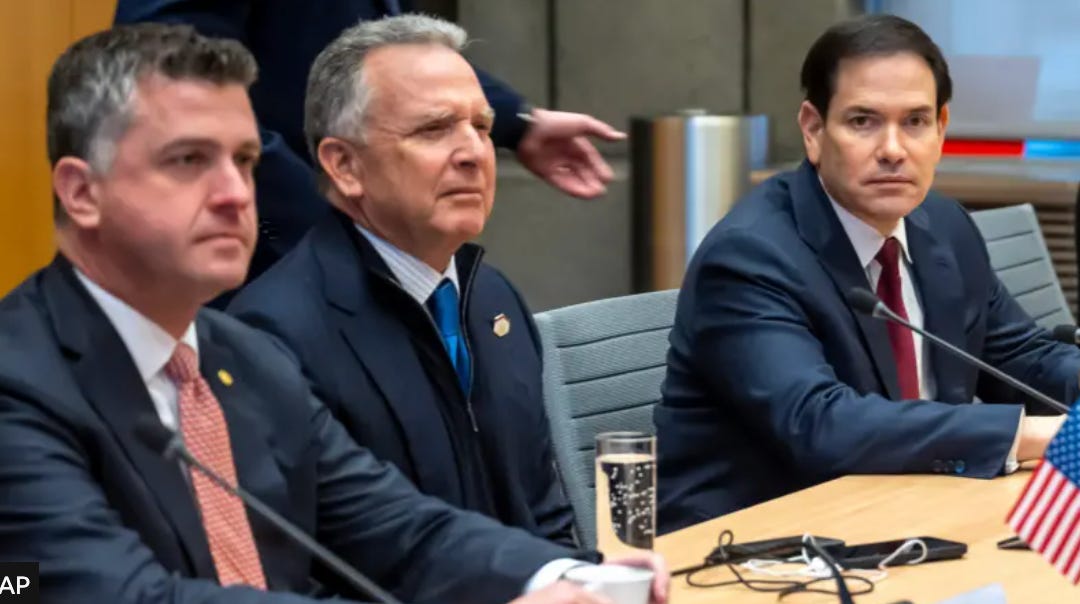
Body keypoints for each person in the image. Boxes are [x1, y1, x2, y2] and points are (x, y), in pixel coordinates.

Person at [0, 23, 669, 603]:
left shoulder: (241, 362)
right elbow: (121, 595)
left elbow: (403, 530)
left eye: (245, 160)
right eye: (189, 160)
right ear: (82, 193)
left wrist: (571, 576)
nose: (236, 194)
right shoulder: (18, 382)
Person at [653, 14, 1079, 533]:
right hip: (755, 543)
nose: (893, 150)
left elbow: (1024, 358)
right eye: (863, 121)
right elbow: (821, 424)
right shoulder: (751, 257)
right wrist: (1044, 437)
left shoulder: (943, 226)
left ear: (941, 129)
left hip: (912, 515)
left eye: (915, 121)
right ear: (813, 129)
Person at [228, 15, 574, 546]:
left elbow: (545, 516)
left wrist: (583, 577)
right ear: (344, 166)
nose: (473, 154)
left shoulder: (494, 297)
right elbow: (311, 562)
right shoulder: (273, 335)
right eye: (434, 129)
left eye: (482, 128)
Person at [114, 0, 626, 282]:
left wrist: (517, 121)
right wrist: (327, 219)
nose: (472, 152)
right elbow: (171, 72)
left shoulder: (493, 300)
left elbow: (380, 49)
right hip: (265, 258)